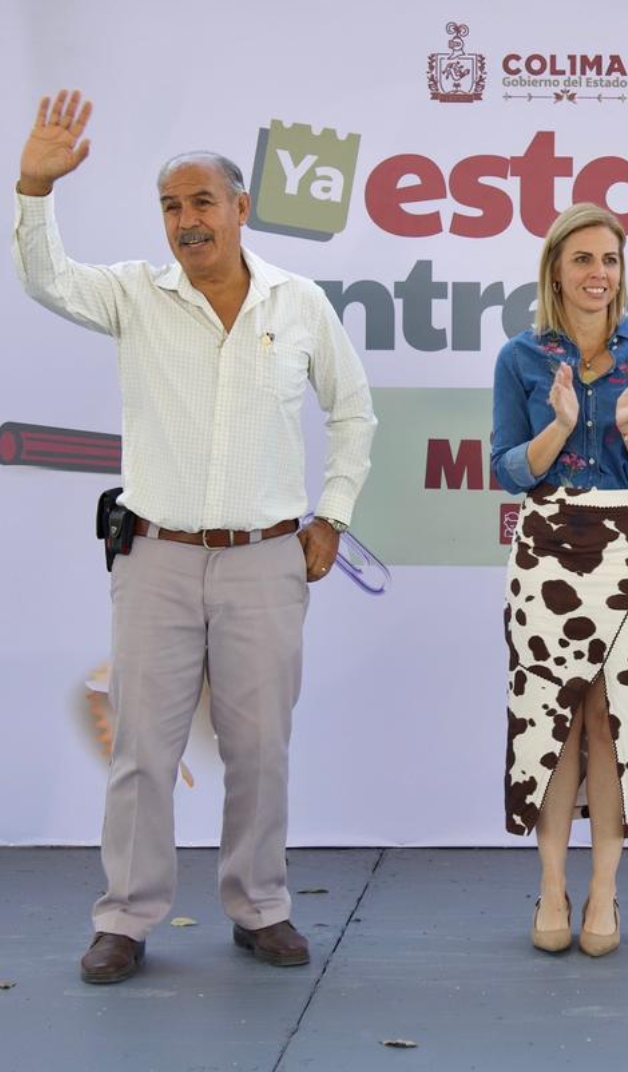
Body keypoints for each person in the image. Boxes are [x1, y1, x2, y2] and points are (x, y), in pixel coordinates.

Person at [13, 91, 377, 983]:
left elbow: (355, 411)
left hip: (265, 560)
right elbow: (46, 278)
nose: (186, 221)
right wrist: (33, 187)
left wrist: (332, 514)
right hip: (156, 558)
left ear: (241, 210)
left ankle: (261, 908)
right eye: (172, 207)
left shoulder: (298, 304)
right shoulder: (135, 295)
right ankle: (127, 919)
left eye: (202, 203)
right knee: (144, 748)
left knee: (260, 747)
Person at [491, 203, 628, 957]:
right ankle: (551, 887)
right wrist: (562, 425)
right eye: (583, 260)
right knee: (553, 725)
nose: (597, 274)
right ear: (556, 271)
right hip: (547, 551)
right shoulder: (521, 358)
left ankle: (603, 890)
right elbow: (508, 470)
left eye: (609, 261)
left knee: (611, 722)